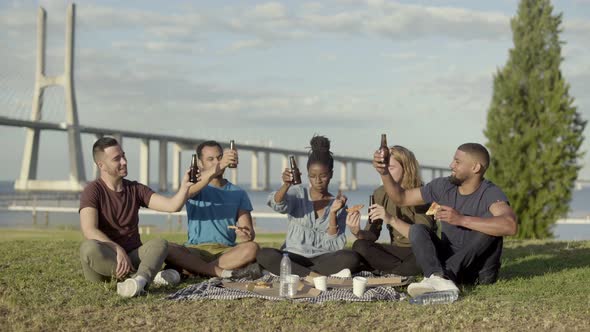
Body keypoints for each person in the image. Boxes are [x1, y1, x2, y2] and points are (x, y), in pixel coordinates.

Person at [372, 142, 517, 297]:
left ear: (475, 168)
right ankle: (436, 276)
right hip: (445, 262)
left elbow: (510, 225)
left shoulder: (490, 193)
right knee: (417, 229)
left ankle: (442, 277)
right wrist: (384, 172)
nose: (451, 165)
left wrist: (461, 219)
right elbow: (401, 198)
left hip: (478, 272)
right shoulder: (443, 186)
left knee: (494, 222)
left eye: (457, 162)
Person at [79, 137, 192, 298]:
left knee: (160, 244)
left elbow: (172, 206)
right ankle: (143, 278)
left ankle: (138, 281)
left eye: (123, 156)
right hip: (104, 264)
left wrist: (184, 187)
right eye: (117, 159)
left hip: (133, 256)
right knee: (88, 248)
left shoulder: (135, 189)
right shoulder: (92, 191)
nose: (124, 161)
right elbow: (89, 229)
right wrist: (117, 249)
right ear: (101, 165)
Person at [256, 135, 362, 278]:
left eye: (323, 176)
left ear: (331, 174)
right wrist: (286, 185)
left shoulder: (339, 205)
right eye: (312, 176)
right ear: (307, 175)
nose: (317, 181)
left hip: (323, 258)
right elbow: (277, 205)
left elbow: (334, 246)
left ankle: (294, 273)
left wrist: (332, 214)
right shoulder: (298, 193)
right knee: (265, 254)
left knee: (351, 257)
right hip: (294, 255)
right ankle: (316, 277)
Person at [165, 140, 261, 280]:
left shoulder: (239, 193)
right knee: (165, 247)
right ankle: (214, 270)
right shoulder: (193, 186)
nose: (216, 161)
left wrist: (246, 235)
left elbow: (249, 232)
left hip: (225, 251)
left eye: (219, 157)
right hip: (195, 249)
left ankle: (195, 269)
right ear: (200, 163)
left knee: (252, 248)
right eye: (210, 159)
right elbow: (188, 191)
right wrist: (220, 164)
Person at [348, 145, 436, 276]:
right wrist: (358, 232)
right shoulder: (380, 193)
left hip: (419, 251)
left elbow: (423, 237)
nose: (386, 172)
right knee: (360, 245)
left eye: (391, 168)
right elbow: (372, 235)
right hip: (396, 252)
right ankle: (398, 271)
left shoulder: (422, 194)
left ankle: (388, 271)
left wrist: (390, 219)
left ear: (406, 169)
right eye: (384, 168)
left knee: (421, 260)